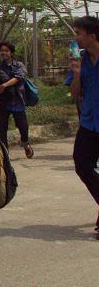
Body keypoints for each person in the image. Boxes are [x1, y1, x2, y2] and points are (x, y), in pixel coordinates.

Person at [65, 15, 99, 240]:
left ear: (92, 36)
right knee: (82, 165)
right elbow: (74, 94)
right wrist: (76, 74)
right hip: (89, 123)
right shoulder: (81, 60)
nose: (75, 37)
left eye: (79, 33)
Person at [0, 42, 33, 158]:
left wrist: (4, 85)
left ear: (11, 53)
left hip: (17, 101)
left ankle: (25, 144)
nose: (4, 53)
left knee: (23, 127)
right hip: (3, 103)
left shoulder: (19, 65)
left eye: (6, 51)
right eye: (2, 50)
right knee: (2, 130)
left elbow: (18, 78)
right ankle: (5, 154)